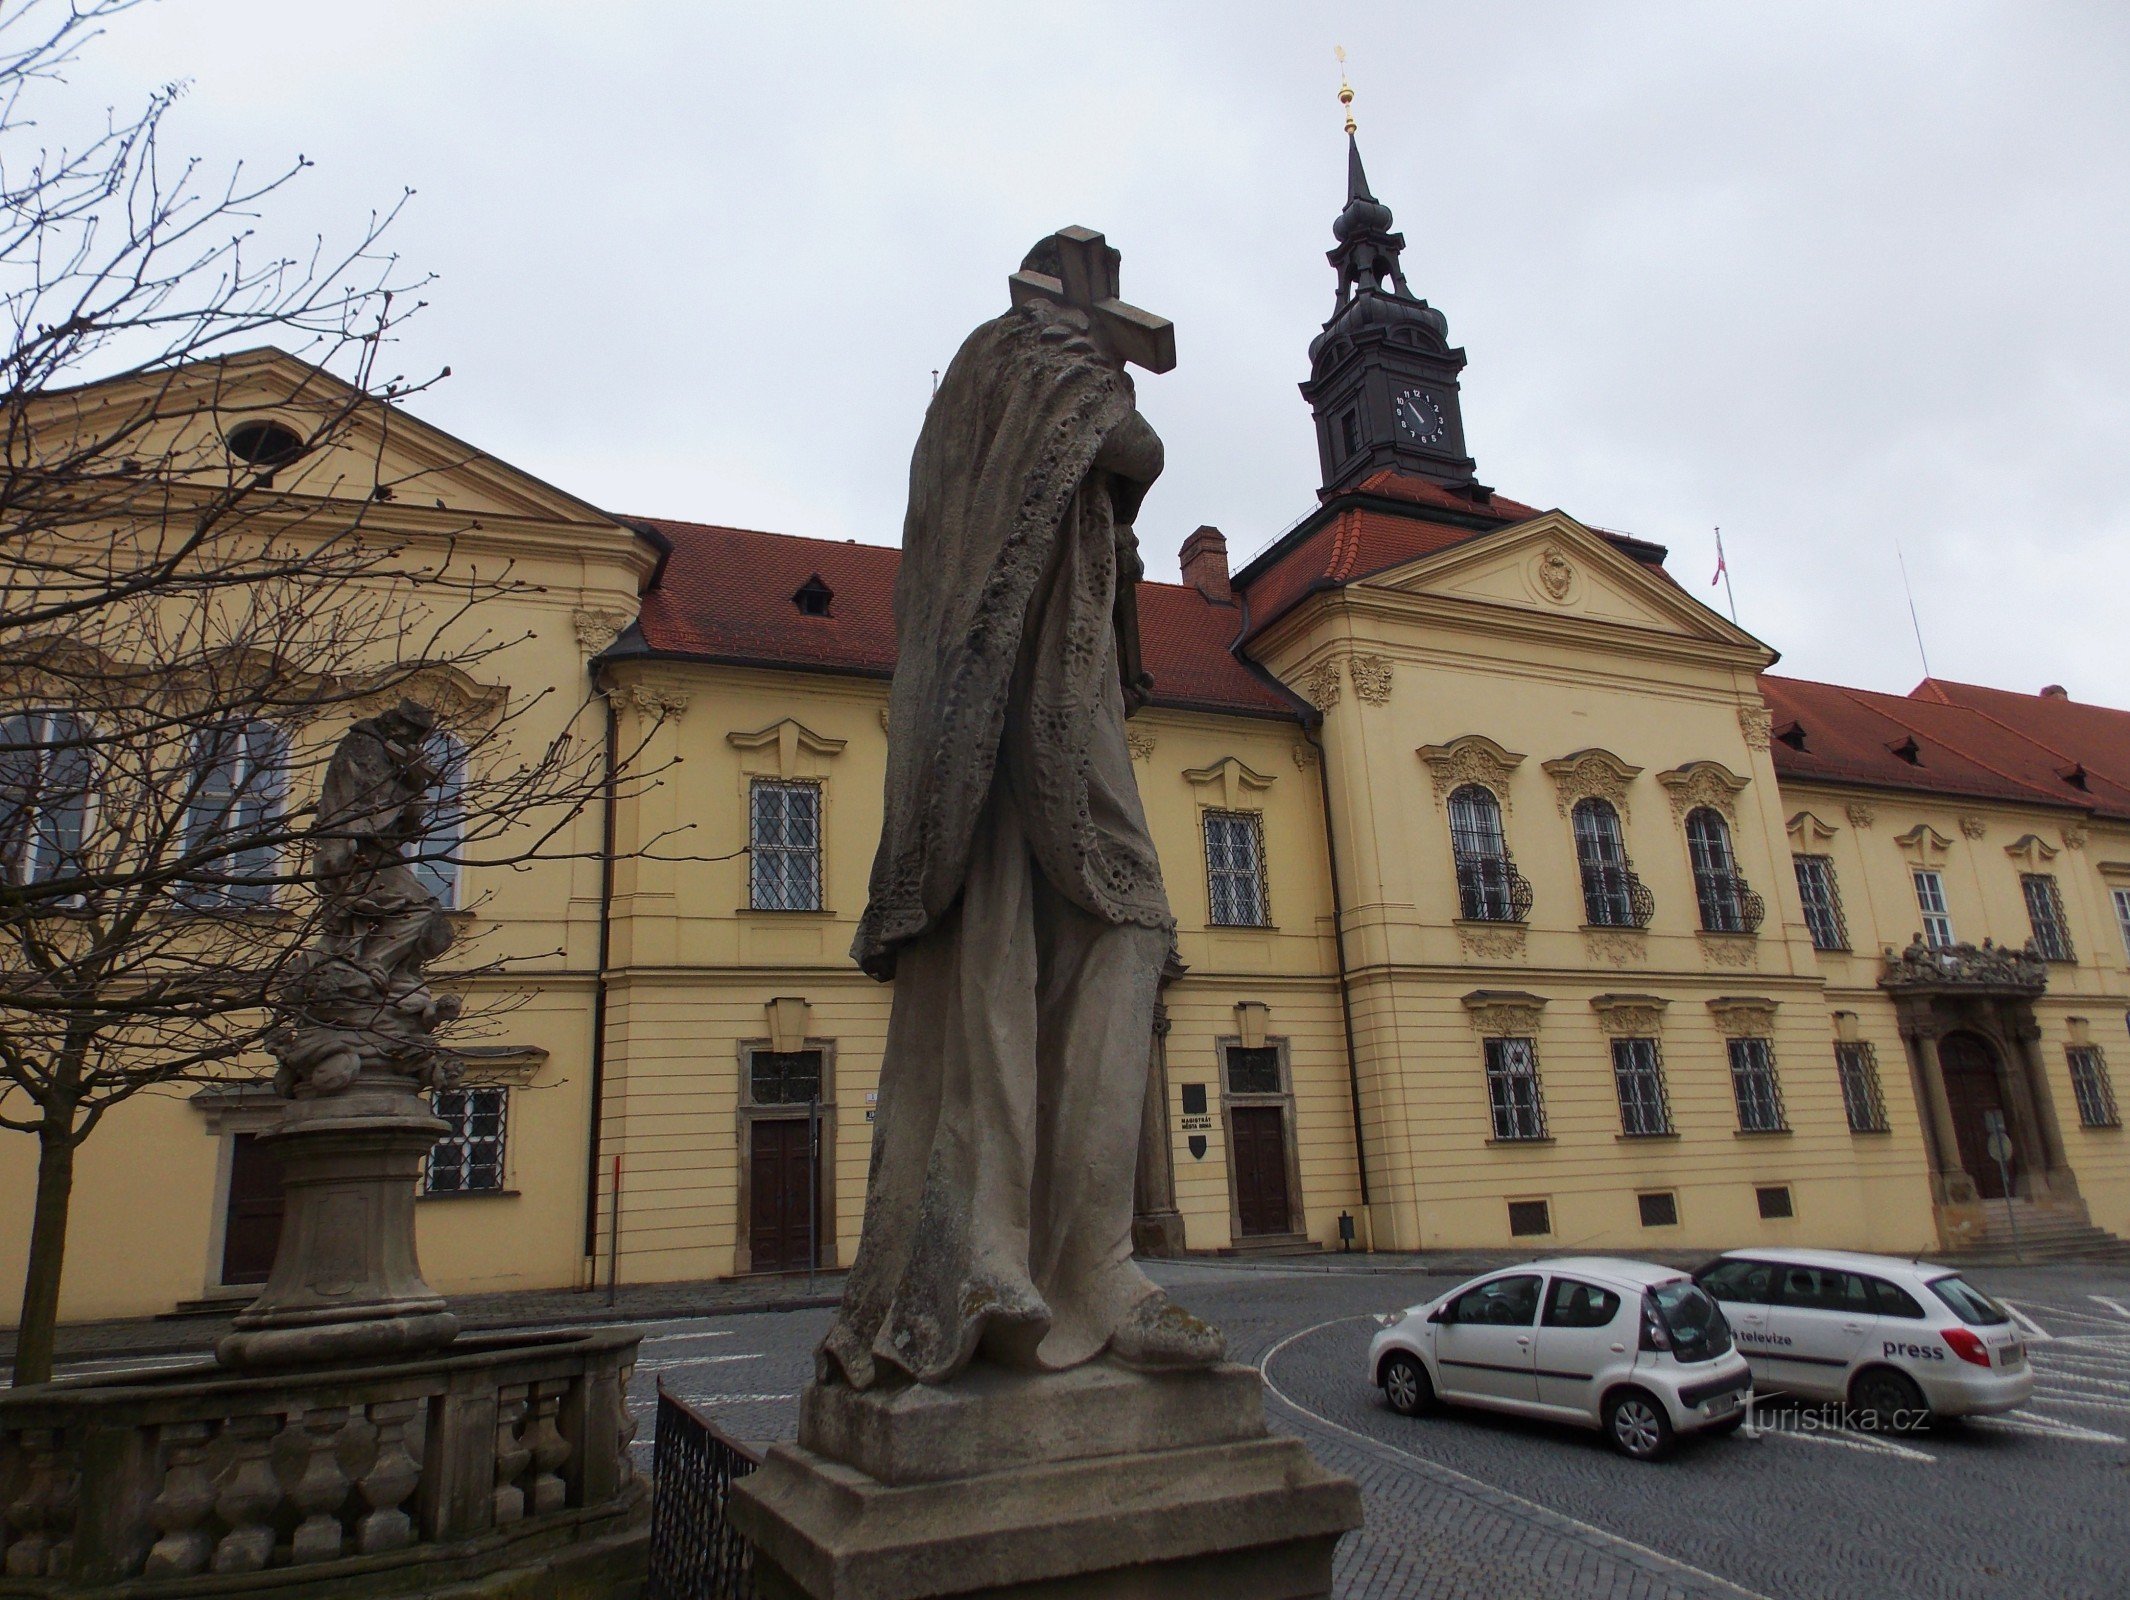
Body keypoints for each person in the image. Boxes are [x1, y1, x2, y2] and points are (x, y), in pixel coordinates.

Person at [818, 238, 1224, 1390]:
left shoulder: (1001, 379)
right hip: (1008, 700)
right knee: (1066, 934)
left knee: (1074, 940)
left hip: (1045, 686)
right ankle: (1029, 1257)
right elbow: (1129, 442)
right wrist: (1105, 377)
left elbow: (1105, 478)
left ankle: (1062, 1258)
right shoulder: (1023, 358)